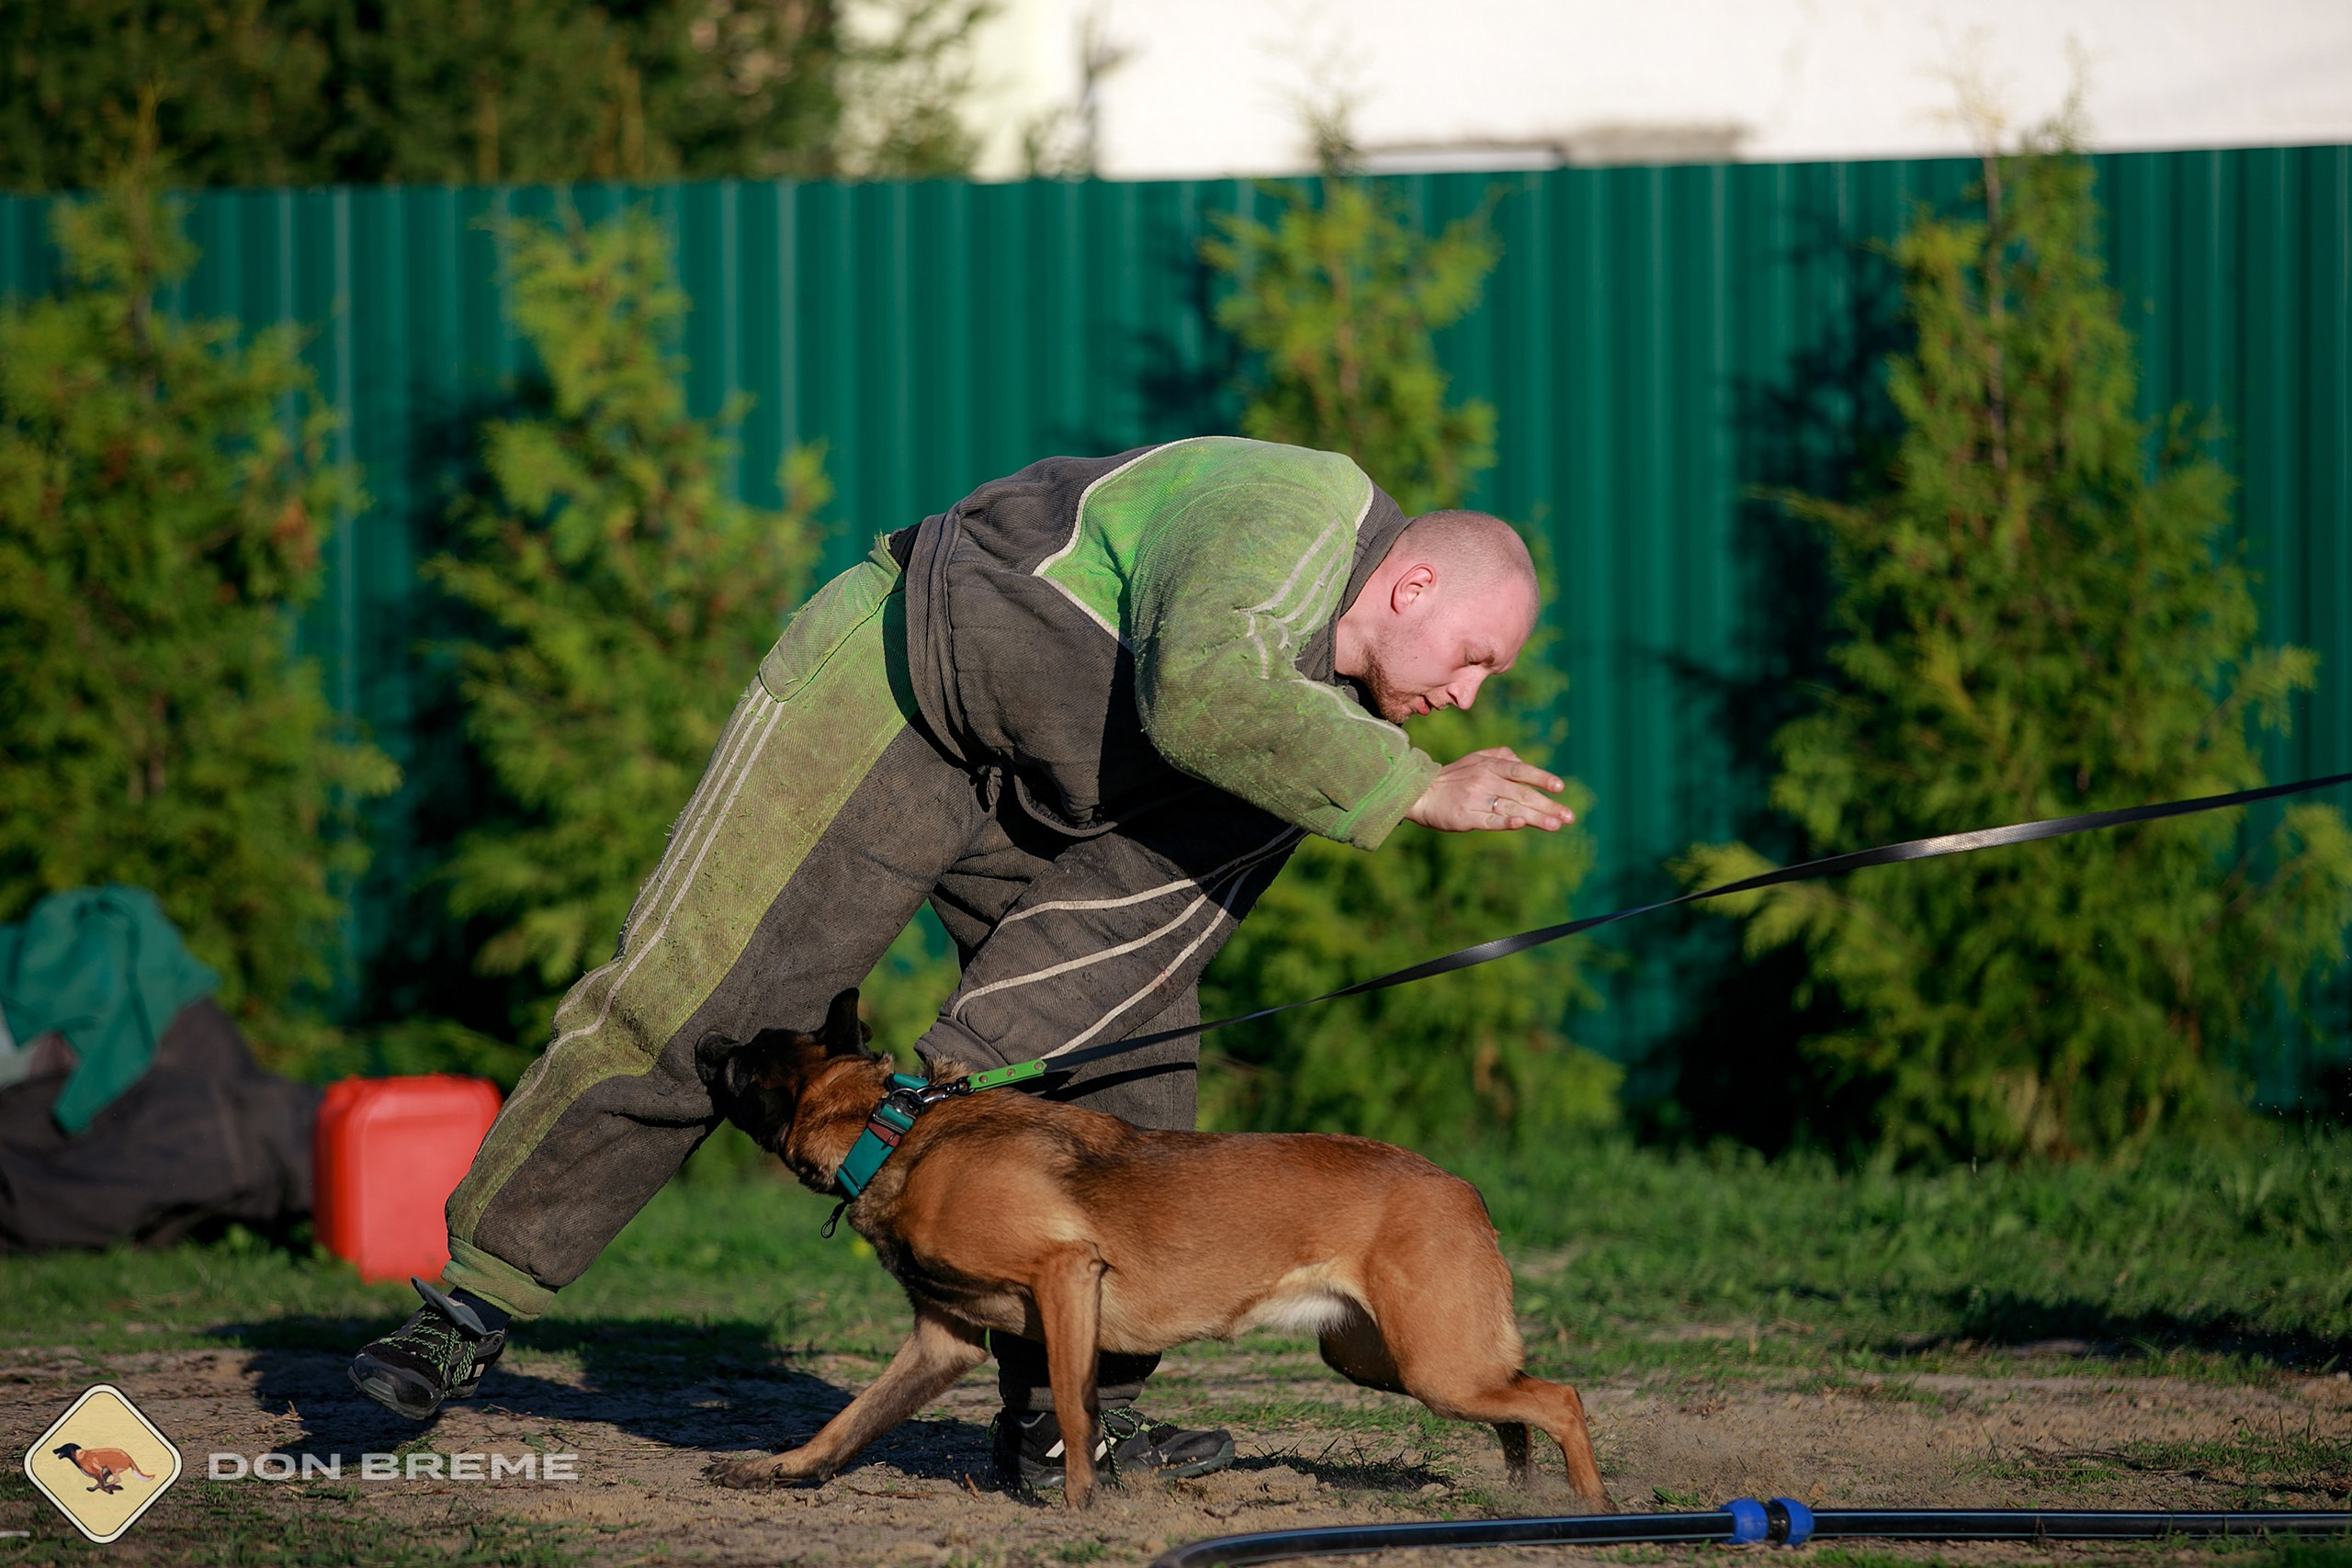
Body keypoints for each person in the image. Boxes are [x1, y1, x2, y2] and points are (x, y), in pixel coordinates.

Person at [348, 435, 1574, 1493]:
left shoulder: (1320, 739)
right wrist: (1414, 793)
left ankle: (1069, 1422)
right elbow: (1202, 690)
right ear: (1410, 581)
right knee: (709, 1002)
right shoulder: (1295, 509)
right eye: (1474, 657)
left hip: (1067, 807)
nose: (1468, 697)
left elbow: (1133, 925)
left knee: (1128, 1065)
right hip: (906, 687)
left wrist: (950, 1086)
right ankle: (470, 1307)